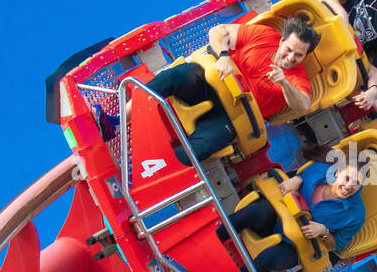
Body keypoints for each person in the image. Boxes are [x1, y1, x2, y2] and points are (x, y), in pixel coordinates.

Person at [128, 16, 316, 162]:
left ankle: (147, 166)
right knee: (177, 74)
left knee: (202, 147)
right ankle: (121, 117)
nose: (291, 58)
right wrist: (224, 56)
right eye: (289, 49)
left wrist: (284, 82)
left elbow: (303, 105)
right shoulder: (264, 36)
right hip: (211, 84)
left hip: (232, 116)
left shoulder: (297, 77)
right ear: (282, 41)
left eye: (299, 55)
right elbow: (218, 31)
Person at [216, 150, 366, 272]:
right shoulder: (320, 169)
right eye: (347, 178)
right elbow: (300, 175)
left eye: (356, 183)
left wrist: (323, 231)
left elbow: (336, 245)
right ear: (337, 172)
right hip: (277, 218)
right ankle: (213, 240)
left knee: (270, 257)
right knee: (256, 211)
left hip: (296, 246)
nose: (348, 187)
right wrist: (296, 178)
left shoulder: (356, 215)